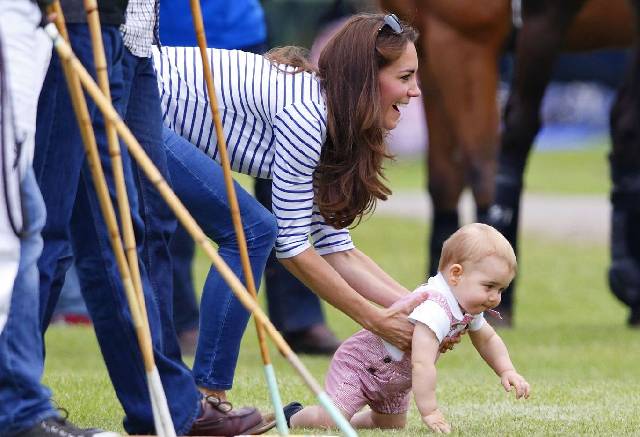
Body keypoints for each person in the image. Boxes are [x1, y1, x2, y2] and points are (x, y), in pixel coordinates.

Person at [152, 12, 428, 401]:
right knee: (255, 230)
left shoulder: (328, 113)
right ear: (365, 80)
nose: (415, 91)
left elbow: (337, 249)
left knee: (255, 229)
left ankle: (206, 395)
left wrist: (425, 310)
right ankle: (208, 397)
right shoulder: (307, 116)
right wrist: (375, 319)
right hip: (138, 103)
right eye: (404, 77)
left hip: (141, 99)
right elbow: (293, 247)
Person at [33, 0, 268, 435]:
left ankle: (164, 405)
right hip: (80, 28)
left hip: (136, 40)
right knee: (58, 228)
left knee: (145, 222)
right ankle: (20, 398)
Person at [159, 0, 341, 356]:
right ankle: (181, 321)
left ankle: (299, 318)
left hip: (241, 30)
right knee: (179, 184)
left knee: (283, 185)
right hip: (171, 42)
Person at [0, 1, 121, 435]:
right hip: (17, 23)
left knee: (27, 225)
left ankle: (20, 407)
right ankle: (18, 411)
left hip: (36, 25)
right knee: (19, 231)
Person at [285, 223, 531, 433]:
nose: (495, 298)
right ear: (456, 275)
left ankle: (351, 419)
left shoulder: (467, 306)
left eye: (501, 290)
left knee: (388, 425)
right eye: (489, 286)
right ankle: (292, 416)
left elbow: (487, 339)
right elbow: (422, 363)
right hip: (363, 366)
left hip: (397, 379)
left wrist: (506, 370)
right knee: (331, 420)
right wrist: (430, 410)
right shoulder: (435, 307)